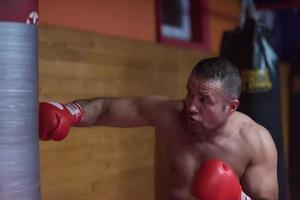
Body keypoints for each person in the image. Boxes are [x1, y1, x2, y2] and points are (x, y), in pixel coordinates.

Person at [39, 57, 278, 200]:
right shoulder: (167, 114)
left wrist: (236, 198)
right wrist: (70, 111)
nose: (191, 106)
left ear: (231, 107)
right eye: (189, 93)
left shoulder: (255, 142)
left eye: (204, 100)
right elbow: (104, 108)